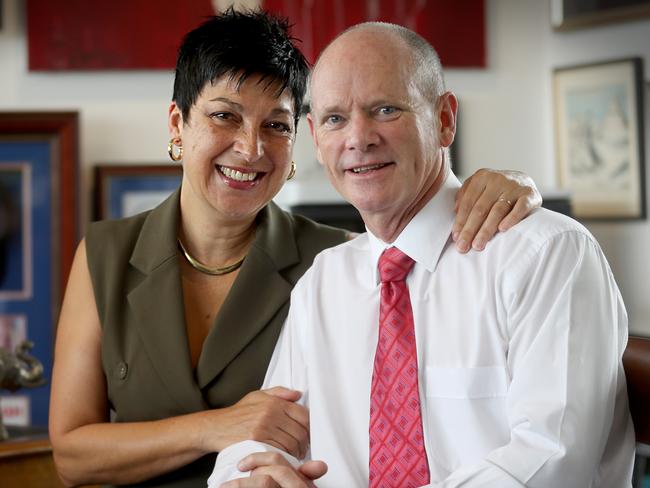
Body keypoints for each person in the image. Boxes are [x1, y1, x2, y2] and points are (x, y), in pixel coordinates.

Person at [48, 10, 542, 488]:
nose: (251, 148)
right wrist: (215, 427)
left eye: (276, 126)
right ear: (178, 124)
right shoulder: (105, 255)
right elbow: (72, 456)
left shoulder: (342, 264)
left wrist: (518, 183)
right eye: (224, 116)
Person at [209, 21, 636, 488]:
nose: (359, 138)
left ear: (445, 120)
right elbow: (262, 436)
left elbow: (554, 464)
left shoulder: (545, 255)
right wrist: (247, 479)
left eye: (385, 109)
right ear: (314, 134)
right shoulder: (324, 282)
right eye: (335, 118)